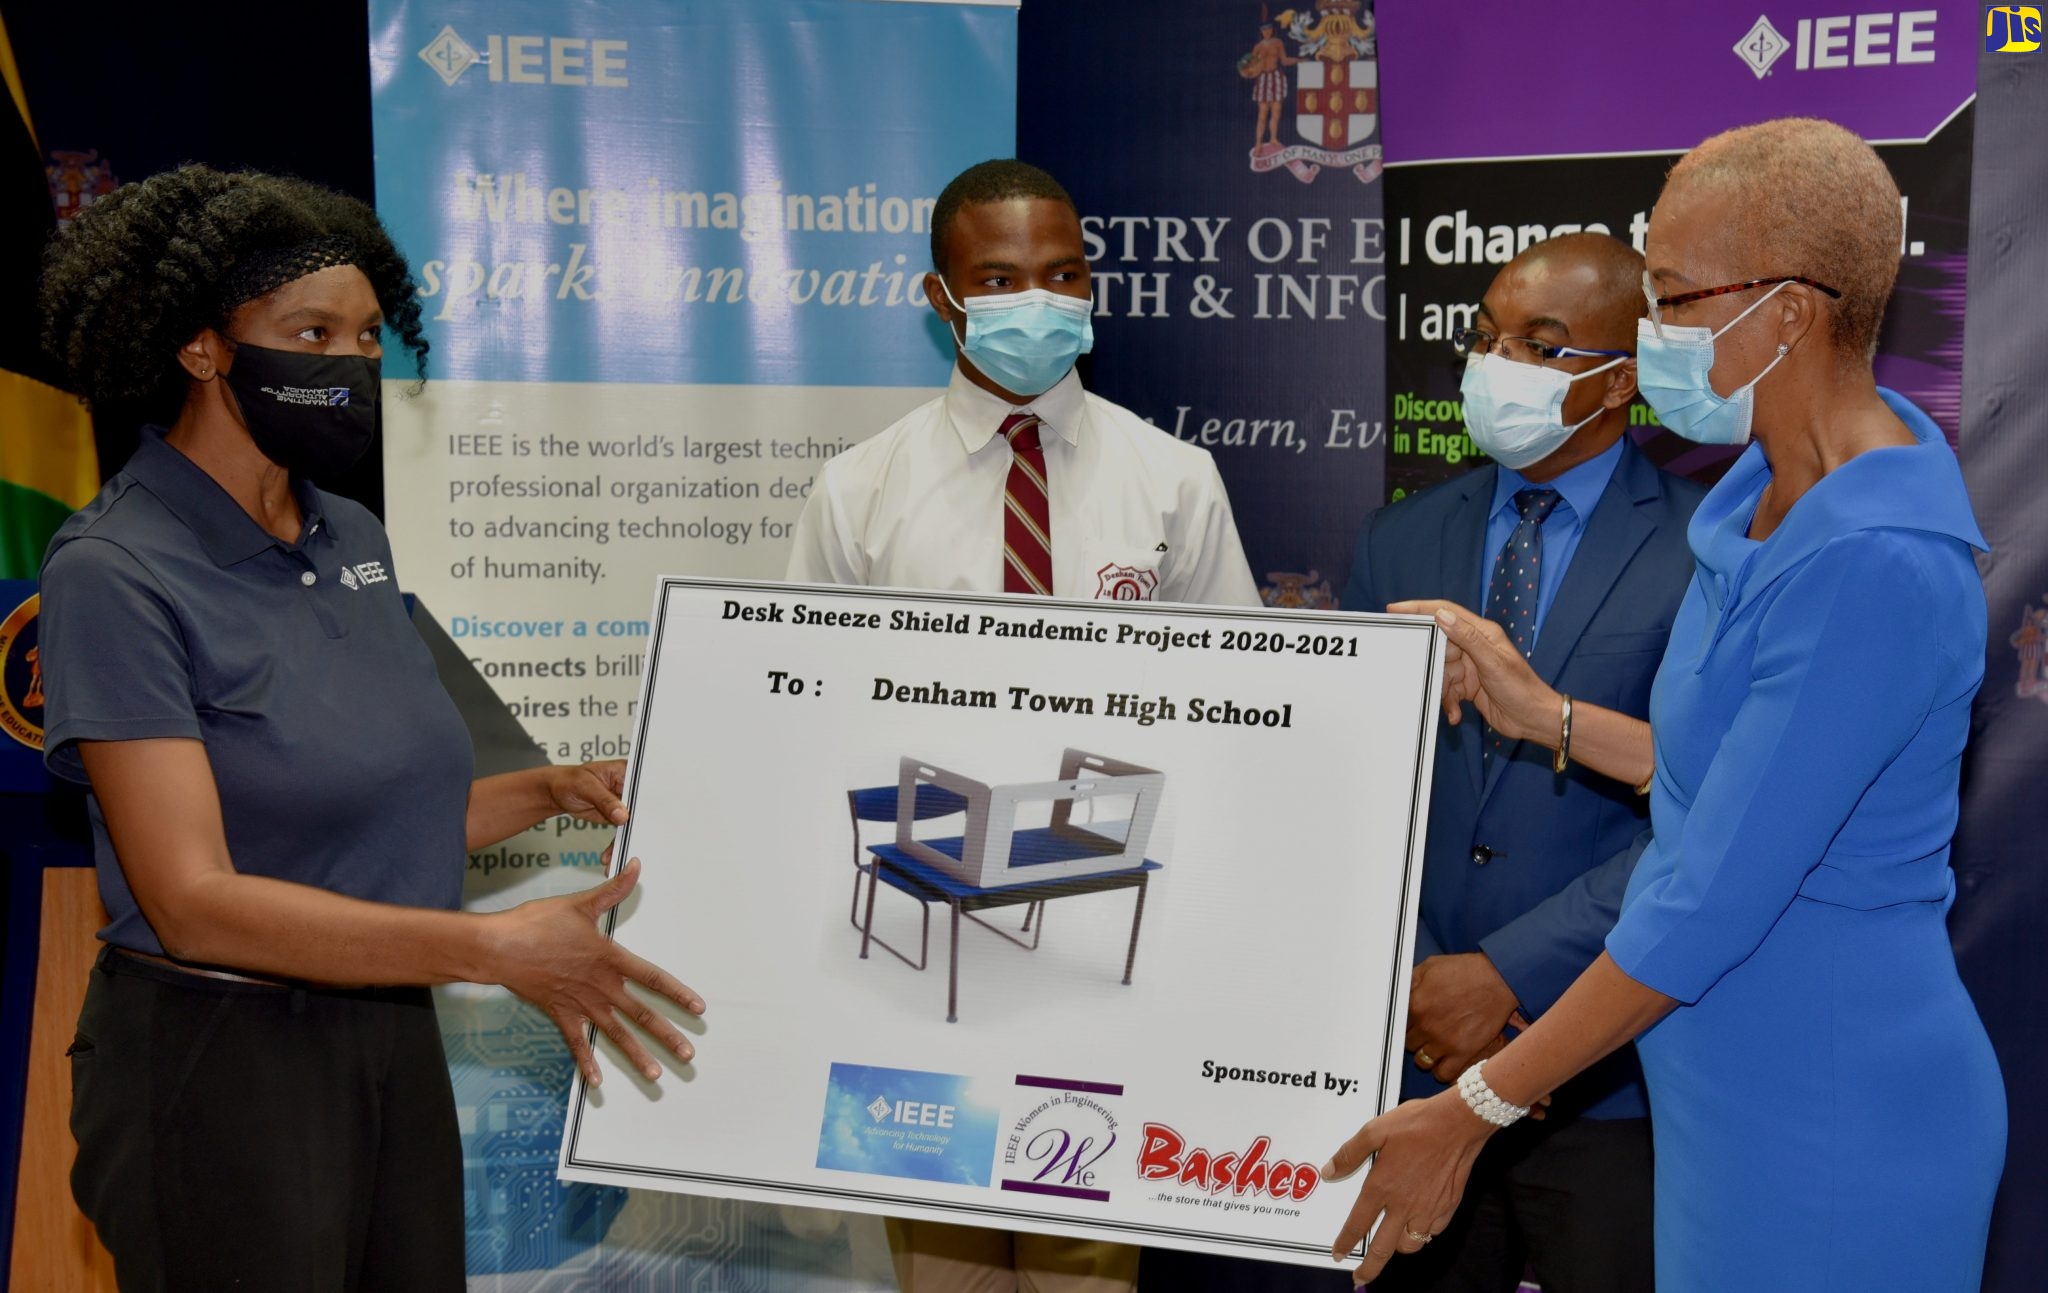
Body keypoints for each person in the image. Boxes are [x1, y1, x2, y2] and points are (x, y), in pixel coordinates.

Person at [1320, 118, 2006, 1292]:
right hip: (1720, 1100)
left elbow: (1708, 892)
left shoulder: (1875, 559)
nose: (1649, 337)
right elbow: (1721, 774)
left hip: (1829, 1113)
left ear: (1784, 314)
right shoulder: (1756, 496)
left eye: (1675, 298)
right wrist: (1541, 713)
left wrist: (1475, 1106)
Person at [36, 165, 706, 1291]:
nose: (349, 365)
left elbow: (381, 816)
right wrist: (493, 947)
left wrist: (547, 790)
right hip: (220, 1058)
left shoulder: (350, 534)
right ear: (201, 348)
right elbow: (192, 902)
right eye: (311, 333)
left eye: (365, 338)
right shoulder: (115, 569)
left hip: (384, 1031)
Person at [788, 157, 1259, 1292]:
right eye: (998, 279)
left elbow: (1239, 713)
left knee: (1082, 1273)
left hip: (1100, 937)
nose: (1036, 301)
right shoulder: (858, 491)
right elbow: (804, 715)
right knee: (944, 1277)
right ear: (940, 297)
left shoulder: (1173, 479)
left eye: (1062, 273)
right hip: (925, 937)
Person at [1330, 232, 1702, 1293]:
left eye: (1540, 346)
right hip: (1414, 1054)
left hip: (1607, 1079)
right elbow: (1349, 789)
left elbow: (1703, 814)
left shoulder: (1709, 551)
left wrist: (1508, 978)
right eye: (1486, 338)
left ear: (1621, 380)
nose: (1498, 366)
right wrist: (1425, 992)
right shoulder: (1396, 540)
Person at [1241, 21, 1298, 151]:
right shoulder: (1258, 46)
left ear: (1272, 30)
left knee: (1276, 111)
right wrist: (1246, 70)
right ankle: (1258, 142)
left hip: (1276, 77)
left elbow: (1284, 60)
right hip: (1263, 79)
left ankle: (1273, 138)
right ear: (1261, 32)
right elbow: (1251, 65)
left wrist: (1298, 60)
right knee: (1262, 113)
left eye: (1269, 29)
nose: (1266, 32)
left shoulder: (1278, 42)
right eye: (1264, 30)